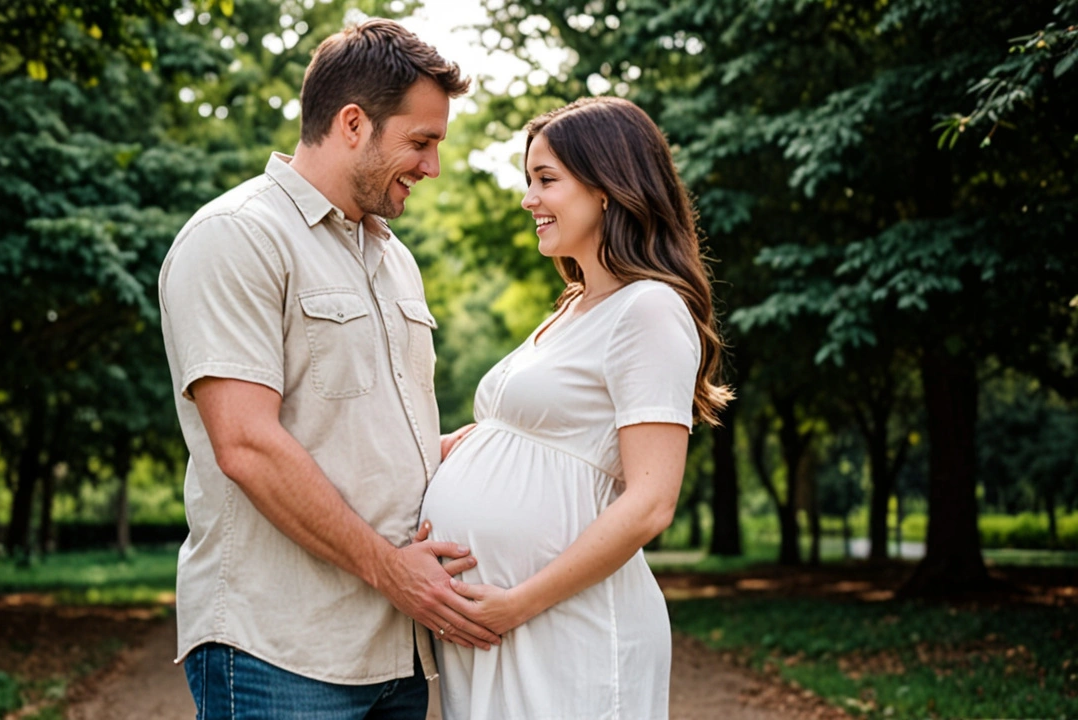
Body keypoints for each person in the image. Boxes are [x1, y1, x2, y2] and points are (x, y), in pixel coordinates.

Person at [159, 19, 498, 720]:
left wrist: (461, 456)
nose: (433, 165)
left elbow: (347, 434)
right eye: (422, 141)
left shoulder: (393, 257)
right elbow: (246, 445)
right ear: (352, 123)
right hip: (277, 651)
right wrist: (392, 571)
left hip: (396, 651)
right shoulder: (237, 237)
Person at [419, 97, 733, 720]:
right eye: (527, 181)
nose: (528, 199)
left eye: (546, 180)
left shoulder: (649, 309)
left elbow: (651, 503)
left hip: (565, 625)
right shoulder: (573, 306)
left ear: (610, 188)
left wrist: (520, 602)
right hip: (505, 628)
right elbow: (520, 437)